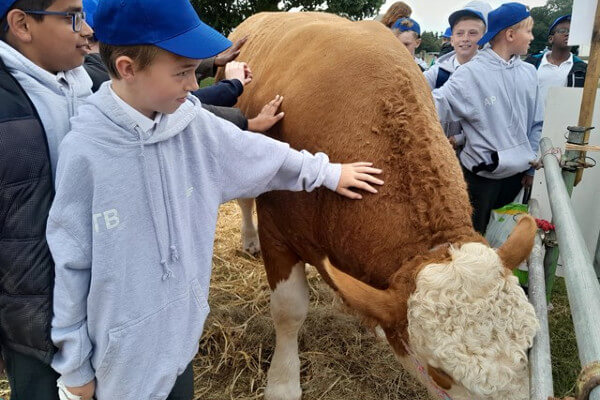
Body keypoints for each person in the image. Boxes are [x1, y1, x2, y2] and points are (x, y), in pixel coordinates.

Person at [47, 0, 385, 399]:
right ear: (127, 68)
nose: (195, 86)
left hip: (182, 344)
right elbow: (72, 264)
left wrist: (329, 172)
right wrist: (75, 368)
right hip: (118, 365)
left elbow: (265, 156)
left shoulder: (194, 127)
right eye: (184, 72)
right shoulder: (85, 152)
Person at [0, 0, 94, 398]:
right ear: (22, 24)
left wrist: (245, 118)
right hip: (33, 327)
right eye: (74, 17)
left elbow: (170, 96)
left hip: (98, 308)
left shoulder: (87, 80)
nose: (88, 30)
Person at [432, 2, 543, 234]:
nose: (532, 37)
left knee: (502, 238)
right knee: (472, 239)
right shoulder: (470, 74)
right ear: (510, 34)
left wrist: (531, 169)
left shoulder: (529, 72)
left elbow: (536, 123)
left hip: (517, 178)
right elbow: (437, 106)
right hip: (481, 179)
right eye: (528, 30)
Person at [424, 2, 489, 149]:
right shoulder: (438, 73)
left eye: (473, 33)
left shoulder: (491, 76)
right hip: (439, 152)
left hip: (475, 160)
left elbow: (492, 121)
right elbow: (414, 93)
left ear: (483, 39)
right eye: (459, 33)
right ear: (452, 39)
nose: (465, 38)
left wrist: (459, 139)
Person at [525, 14, 587, 109]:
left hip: (565, 122)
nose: (568, 34)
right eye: (563, 31)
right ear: (551, 39)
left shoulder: (582, 69)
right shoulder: (531, 63)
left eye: (571, 32)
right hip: (532, 122)